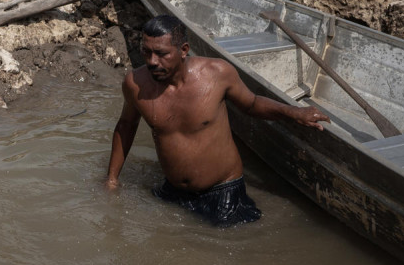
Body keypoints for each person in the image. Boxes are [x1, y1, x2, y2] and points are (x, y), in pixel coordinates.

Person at [105, 14, 329, 227]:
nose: (152, 61)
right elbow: (126, 126)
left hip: (223, 191)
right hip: (173, 190)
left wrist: (294, 112)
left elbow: (251, 104)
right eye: (146, 52)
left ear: (183, 50)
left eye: (161, 53)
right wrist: (112, 180)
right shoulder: (135, 84)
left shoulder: (217, 73)